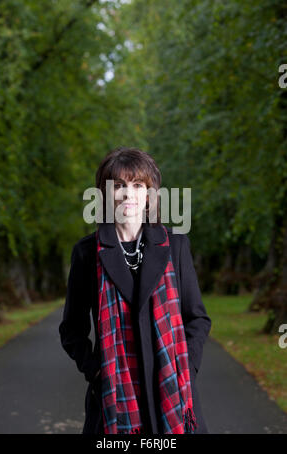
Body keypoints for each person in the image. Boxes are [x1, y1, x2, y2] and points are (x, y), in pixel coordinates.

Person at [59, 146, 212, 434]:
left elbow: (197, 319)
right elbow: (71, 330)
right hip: (116, 398)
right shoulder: (86, 253)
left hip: (173, 394)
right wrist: (96, 371)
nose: (128, 194)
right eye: (118, 185)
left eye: (138, 185)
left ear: (149, 194)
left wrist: (186, 370)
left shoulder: (175, 245)